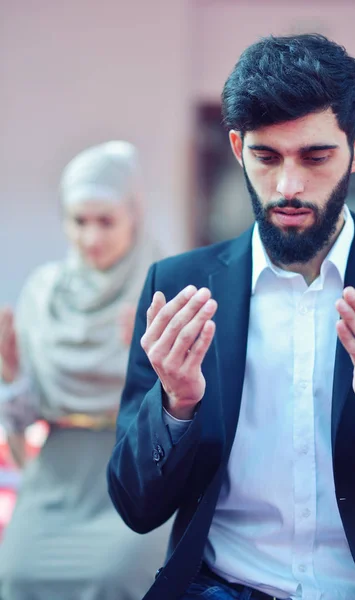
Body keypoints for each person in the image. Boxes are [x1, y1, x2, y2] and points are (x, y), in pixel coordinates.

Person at [107, 35, 355, 600]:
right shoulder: (177, 288)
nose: (288, 187)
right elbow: (135, 506)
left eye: (315, 157)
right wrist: (175, 406)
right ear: (238, 148)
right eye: (267, 157)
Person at [0, 141, 172, 600]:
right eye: (79, 221)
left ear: (134, 215)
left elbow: (193, 409)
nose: (91, 238)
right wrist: (12, 375)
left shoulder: (162, 288)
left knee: (116, 579)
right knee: (15, 575)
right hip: (54, 478)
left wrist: (148, 361)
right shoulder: (44, 293)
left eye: (106, 221)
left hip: (137, 475)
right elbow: (23, 422)